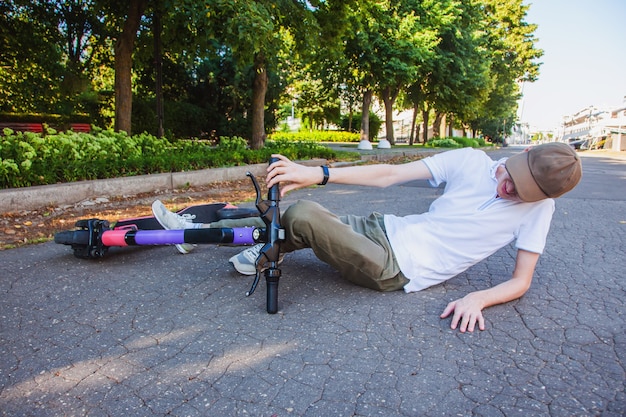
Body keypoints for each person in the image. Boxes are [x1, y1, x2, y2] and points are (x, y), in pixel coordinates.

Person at [152, 142, 582, 333]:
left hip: (395, 268)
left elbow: (521, 280)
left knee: (301, 214)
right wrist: (319, 173)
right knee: (288, 214)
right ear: (524, 154)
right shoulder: (470, 161)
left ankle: (260, 247)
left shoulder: (539, 207)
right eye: (514, 180)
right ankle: (197, 233)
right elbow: (391, 174)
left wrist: (478, 298)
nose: (510, 192)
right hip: (383, 228)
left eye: (524, 193)